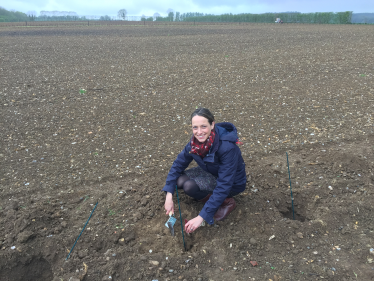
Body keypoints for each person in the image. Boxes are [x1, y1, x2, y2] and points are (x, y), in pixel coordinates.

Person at [162, 108, 247, 234]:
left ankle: (227, 202)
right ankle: (206, 194)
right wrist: (169, 195)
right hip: (211, 170)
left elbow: (224, 184)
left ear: (212, 124)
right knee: (178, 181)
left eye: (203, 126)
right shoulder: (194, 143)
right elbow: (178, 164)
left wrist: (201, 216)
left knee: (189, 186)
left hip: (232, 183)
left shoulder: (227, 148)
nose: (199, 132)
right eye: (195, 127)